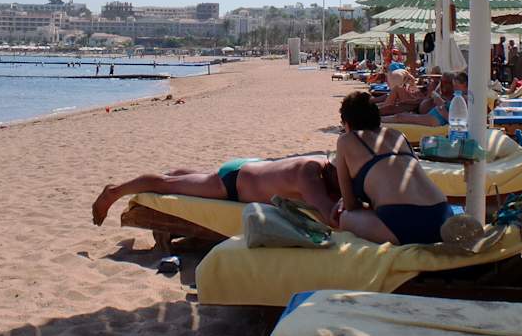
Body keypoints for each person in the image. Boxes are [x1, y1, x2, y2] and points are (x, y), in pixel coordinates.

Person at [92, 154, 341, 227]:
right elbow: (331, 217)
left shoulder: (320, 162)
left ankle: (177, 173)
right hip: (233, 183)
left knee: (187, 180)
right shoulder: (310, 177)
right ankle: (113, 192)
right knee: (164, 186)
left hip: (250, 168)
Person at [332, 91, 450, 245]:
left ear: (347, 123)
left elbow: (350, 204)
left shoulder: (346, 140)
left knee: (345, 217)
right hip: (443, 213)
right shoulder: (398, 135)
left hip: (403, 222)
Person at [384, 72, 466, 127]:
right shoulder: (456, 96)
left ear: (464, 85)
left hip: (436, 119)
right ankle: (377, 120)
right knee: (400, 115)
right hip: (433, 115)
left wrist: (440, 105)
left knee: (400, 117)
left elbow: (453, 121)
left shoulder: (463, 99)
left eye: (456, 85)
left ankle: (375, 121)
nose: (454, 88)